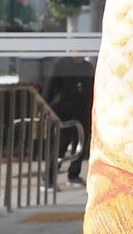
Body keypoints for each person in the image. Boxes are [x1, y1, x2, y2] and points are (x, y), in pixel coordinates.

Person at [40, 55, 94, 186]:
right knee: (60, 144)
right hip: (62, 111)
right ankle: (49, 179)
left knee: (80, 143)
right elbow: (50, 85)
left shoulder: (87, 67)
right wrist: (44, 106)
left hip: (82, 110)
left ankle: (74, 174)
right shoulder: (62, 64)